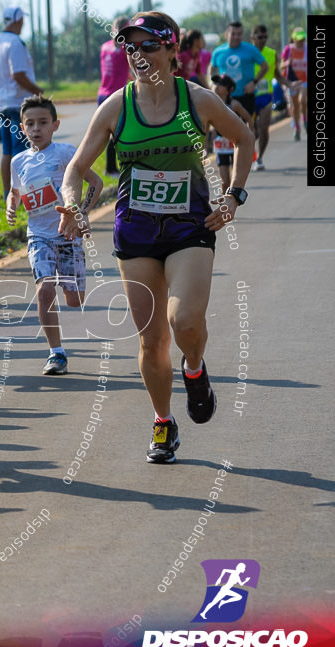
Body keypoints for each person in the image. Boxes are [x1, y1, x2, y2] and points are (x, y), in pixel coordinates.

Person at [59, 11, 254, 464]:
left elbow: (243, 137)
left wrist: (233, 196)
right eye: (131, 46)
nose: (139, 54)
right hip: (137, 231)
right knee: (150, 341)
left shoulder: (197, 100)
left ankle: (195, 367)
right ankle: (163, 422)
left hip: (191, 227)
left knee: (184, 323)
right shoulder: (115, 107)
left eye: (149, 46)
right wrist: (71, 201)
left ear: (172, 51)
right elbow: (76, 167)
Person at [6, 95, 102, 376]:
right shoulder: (18, 161)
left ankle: (66, 282)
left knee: (75, 300)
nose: (36, 129)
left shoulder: (65, 152)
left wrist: (82, 212)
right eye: (30, 124)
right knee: (44, 288)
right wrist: (11, 207)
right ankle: (56, 353)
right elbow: (14, 193)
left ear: (55, 125)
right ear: (22, 128)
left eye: (43, 123)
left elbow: (95, 181)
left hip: (68, 236)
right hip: (38, 235)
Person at [0, 6, 42, 200]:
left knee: (7, 151)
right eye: (22, 21)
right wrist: (38, 91)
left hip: (2, 103)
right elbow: (18, 74)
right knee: (21, 152)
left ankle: (8, 193)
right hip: (18, 103)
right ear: (18, 21)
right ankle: (23, 195)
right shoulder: (15, 42)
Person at [210, 21, 267, 125]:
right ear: (226, 34)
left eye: (239, 34)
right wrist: (213, 83)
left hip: (246, 95)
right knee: (230, 129)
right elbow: (212, 69)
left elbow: (265, 67)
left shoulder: (250, 49)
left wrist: (254, 83)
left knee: (246, 127)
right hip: (227, 97)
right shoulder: (218, 52)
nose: (236, 37)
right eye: (233, 34)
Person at [209, 74, 253, 191]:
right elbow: (206, 126)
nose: (217, 86)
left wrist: (249, 138)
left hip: (235, 145)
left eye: (222, 84)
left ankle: (231, 203)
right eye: (216, 83)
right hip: (220, 146)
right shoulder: (211, 105)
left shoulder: (234, 105)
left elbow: (249, 119)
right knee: (225, 181)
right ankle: (224, 207)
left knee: (235, 183)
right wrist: (204, 145)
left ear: (230, 90)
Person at [97, 16, 129, 175]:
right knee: (119, 133)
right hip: (116, 95)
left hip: (102, 93)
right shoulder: (124, 49)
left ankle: (111, 168)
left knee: (108, 133)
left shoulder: (104, 47)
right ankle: (112, 168)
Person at [248, 25, 276, 171]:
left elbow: (278, 74)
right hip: (249, 97)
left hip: (265, 96)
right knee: (252, 131)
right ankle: (248, 154)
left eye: (265, 37)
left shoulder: (271, 53)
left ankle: (259, 158)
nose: (263, 40)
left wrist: (289, 83)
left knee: (264, 128)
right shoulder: (246, 53)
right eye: (260, 37)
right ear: (253, 38)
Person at [280, 27, 307, 142]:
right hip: (291, 82)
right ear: (294, 39)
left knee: (303, 101)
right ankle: (297, 127)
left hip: (304, 81)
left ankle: (305, 119)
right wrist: (287, 63)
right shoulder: (288, 50)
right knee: (295, 106)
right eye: (299, 39)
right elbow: (280, 66)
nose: (301, 41)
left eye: (303, 39)